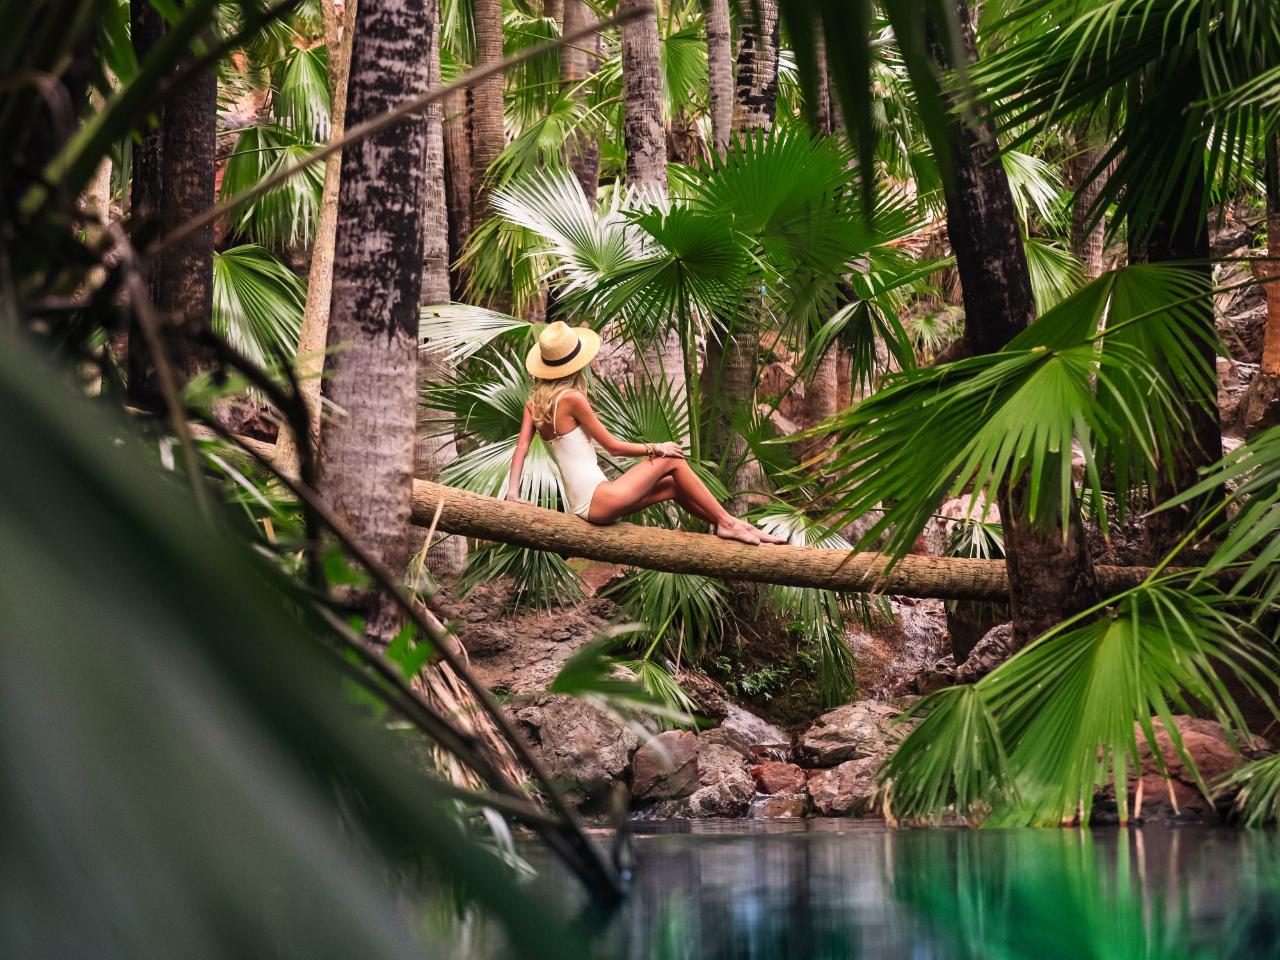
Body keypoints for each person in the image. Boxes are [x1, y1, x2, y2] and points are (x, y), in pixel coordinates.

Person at [506, 321, 787, 546]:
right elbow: (613, 447)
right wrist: (657, 447)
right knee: (672, 460)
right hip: (599, 499)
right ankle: (728, 522)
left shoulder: (534, 404)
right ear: (576, 363)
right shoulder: (572, 398)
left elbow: (521, 448)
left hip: (584, 504)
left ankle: (731, 525)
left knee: (674, 486)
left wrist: (513, 493)